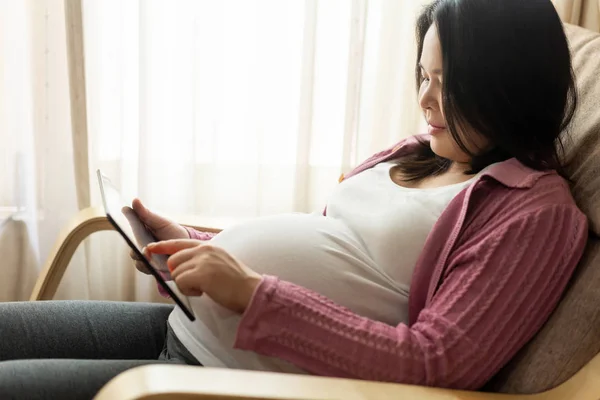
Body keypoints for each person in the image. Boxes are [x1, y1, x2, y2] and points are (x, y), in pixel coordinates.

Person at [0, 0, 589, 398]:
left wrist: (254, 292)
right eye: (423, 77)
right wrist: (193, 248)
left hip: (226, 382)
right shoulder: (425, 150)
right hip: (189, 330)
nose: (426, 102)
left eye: (448, 85)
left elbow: (436, 364)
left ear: (510, 86)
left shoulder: (536, 213)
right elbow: (332, 250)